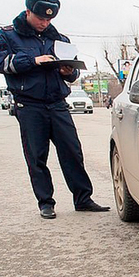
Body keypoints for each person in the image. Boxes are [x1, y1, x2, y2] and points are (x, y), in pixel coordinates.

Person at [0, 0, 110, 219]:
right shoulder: (8, 35)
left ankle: (83, 198)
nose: (45, 23)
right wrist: (34, 60)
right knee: (37, 155)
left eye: (49, 19)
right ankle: (45, 202)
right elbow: (3, 63)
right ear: (28, 12)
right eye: (41, 18)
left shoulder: (59, 39)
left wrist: (68, 71)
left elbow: (74, 74)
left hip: (58, 103)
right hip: (29, 104)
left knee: (72, 151)